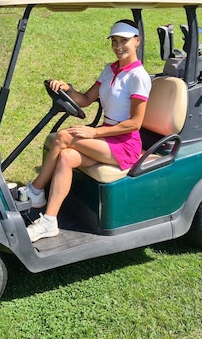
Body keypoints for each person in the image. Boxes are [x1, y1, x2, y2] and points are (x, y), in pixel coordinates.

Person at [26, 19, 152, 242]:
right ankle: (49, 221)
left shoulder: (138, 77)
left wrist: (94, 133)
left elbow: (135, 124)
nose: (118, 46)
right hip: (106, 137)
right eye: (114, 41)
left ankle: (35, 191)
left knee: (64, 136)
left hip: (124, 144)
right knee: (66, 157)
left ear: (137, 41)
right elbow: (84, 100)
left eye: (124, 41)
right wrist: (68, 89)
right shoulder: (110, 70)